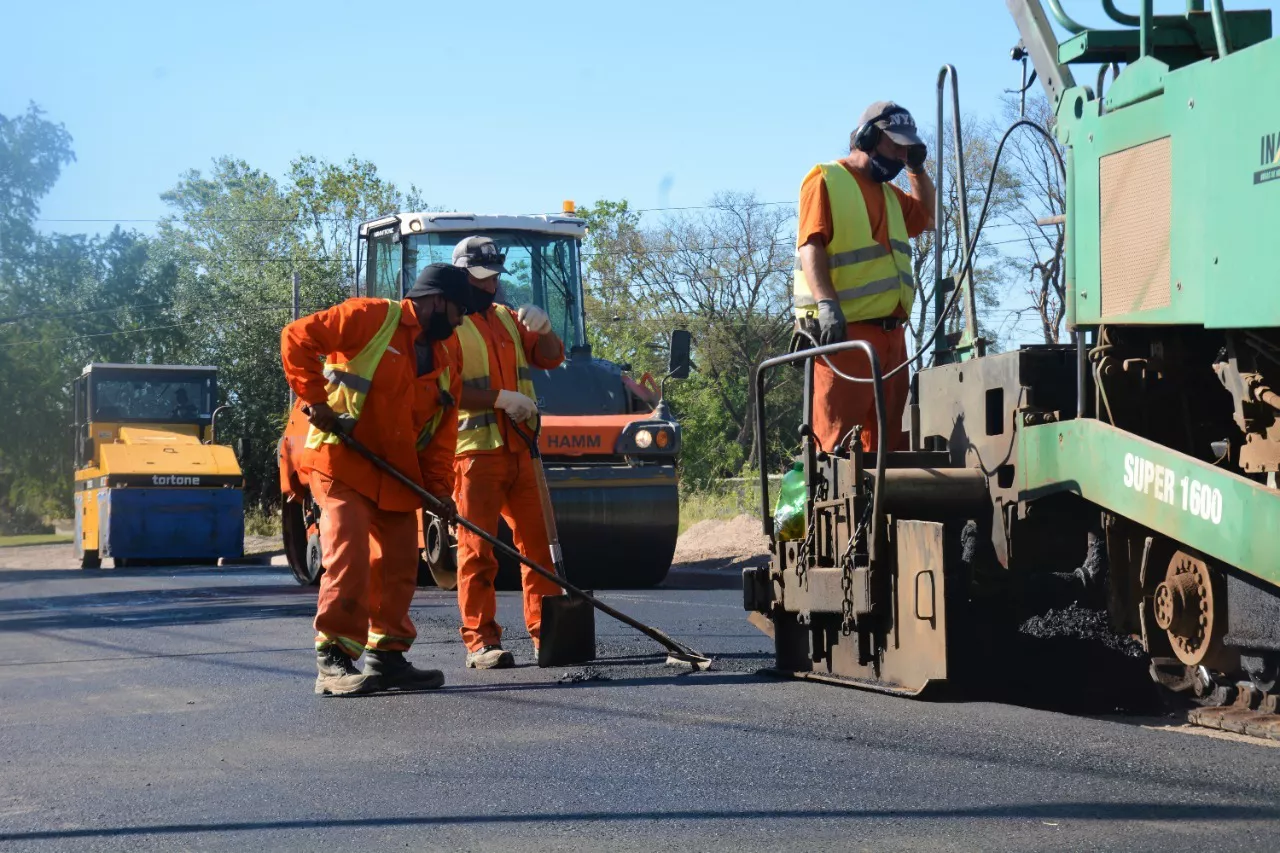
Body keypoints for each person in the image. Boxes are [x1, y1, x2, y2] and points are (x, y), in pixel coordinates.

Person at [281, 262, 471, 696]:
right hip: (342, 461)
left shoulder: (445, 355)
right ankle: (332, 660)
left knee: (399, 566)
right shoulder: (371, 317)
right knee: (349, 556)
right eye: (459, 309)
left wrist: (439, 491)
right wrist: (315, 399)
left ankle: (387, 658)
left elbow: (441, 432)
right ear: (436, 301)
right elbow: (295, 337)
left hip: (398, 473)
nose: (461, 320)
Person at [448, 235, 565, 669]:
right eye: (482, 277)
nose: (491, 284)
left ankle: (546, 634)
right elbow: (444, 389)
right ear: (461, 276)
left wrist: (546, 329)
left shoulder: (507, 320)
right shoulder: (449, 325)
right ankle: (481, 641)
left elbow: (550, 359)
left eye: (494, 275)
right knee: (477, 549)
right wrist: (498, 399)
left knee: (539, 545)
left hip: (521, 450)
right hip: (475, 453)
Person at [795, 100, 936, 454]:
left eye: (908, 149)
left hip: (893, 340)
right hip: (845, 336)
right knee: (836, 446)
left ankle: (880, 511)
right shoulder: (826, 180)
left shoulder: (891, 197)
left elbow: (928, 217)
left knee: (886, 449)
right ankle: (826, 509)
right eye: (896, 145)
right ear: (868, 137)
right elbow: (810, 245)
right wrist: (826, 305)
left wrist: (918, 169)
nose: (901, 156)